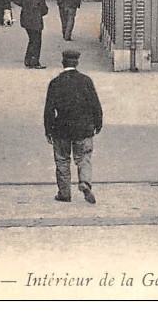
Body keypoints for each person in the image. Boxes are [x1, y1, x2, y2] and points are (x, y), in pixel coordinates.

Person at [44, 50, 103, 204]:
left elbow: (49, 110)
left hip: (61, 128)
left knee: (62, 160)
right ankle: (84, 181)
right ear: (77, 63)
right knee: (84, 157)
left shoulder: (55, 83)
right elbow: (95, 105)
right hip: (83, 128)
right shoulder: (86, 81)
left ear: (63, 63)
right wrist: (98, 123)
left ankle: (64, 193)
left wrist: (48, 130)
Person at [17, 0, 49, 68]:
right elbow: (44, 10)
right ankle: (34, 61)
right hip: (36, 21)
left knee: (31, 40)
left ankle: (28, 60)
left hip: (25, 20)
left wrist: (25, 6)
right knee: (37, 41)